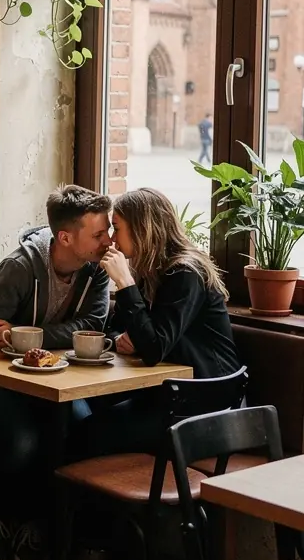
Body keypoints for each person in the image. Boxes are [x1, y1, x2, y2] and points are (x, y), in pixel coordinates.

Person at [0, 186, 112, 560]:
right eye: (98, 234)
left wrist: (28, 334)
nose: (108, 240)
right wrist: (10, 336)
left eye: (108, 231)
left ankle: (37, 522)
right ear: (65, 237)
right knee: (23, 439)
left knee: (82, 431)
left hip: (59, 383)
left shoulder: (97, 272)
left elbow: (95, 325)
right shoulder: (20, 266)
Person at [87, 186, 240, 457]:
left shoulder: (185, 273)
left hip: (208, 403)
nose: (111, 239)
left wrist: (123, 282)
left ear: (142, 228)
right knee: (88, 412)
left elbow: (154, 348)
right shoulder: (149, 269)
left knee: (87, 433)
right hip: (170, 393)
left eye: (116, 228)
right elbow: (114, 328)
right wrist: (125, 340)